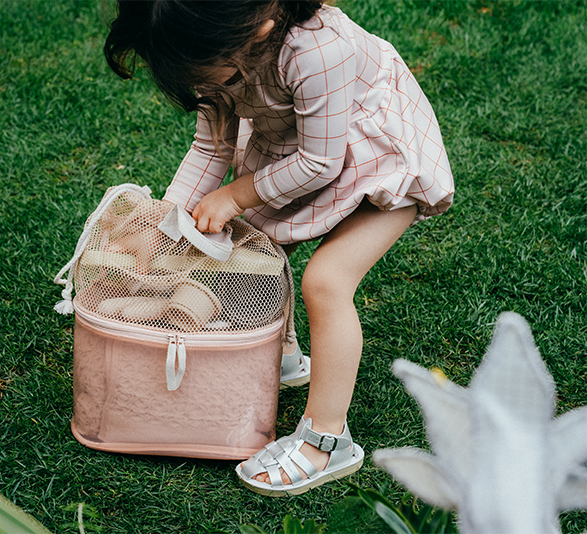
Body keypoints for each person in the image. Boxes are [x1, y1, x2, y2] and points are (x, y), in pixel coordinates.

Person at [104, 0, 454, 496]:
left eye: (210, 76)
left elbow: (320, 162)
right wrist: (166, 223)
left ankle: (326, 440)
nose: (205, 87)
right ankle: (282, 358)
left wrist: (235, 195)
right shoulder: (215, 39)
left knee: (326, 283)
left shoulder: (317, 49)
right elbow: (211, 147)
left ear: (258, 31)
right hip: (299, 156)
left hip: (377, 165)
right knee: (254, 254)